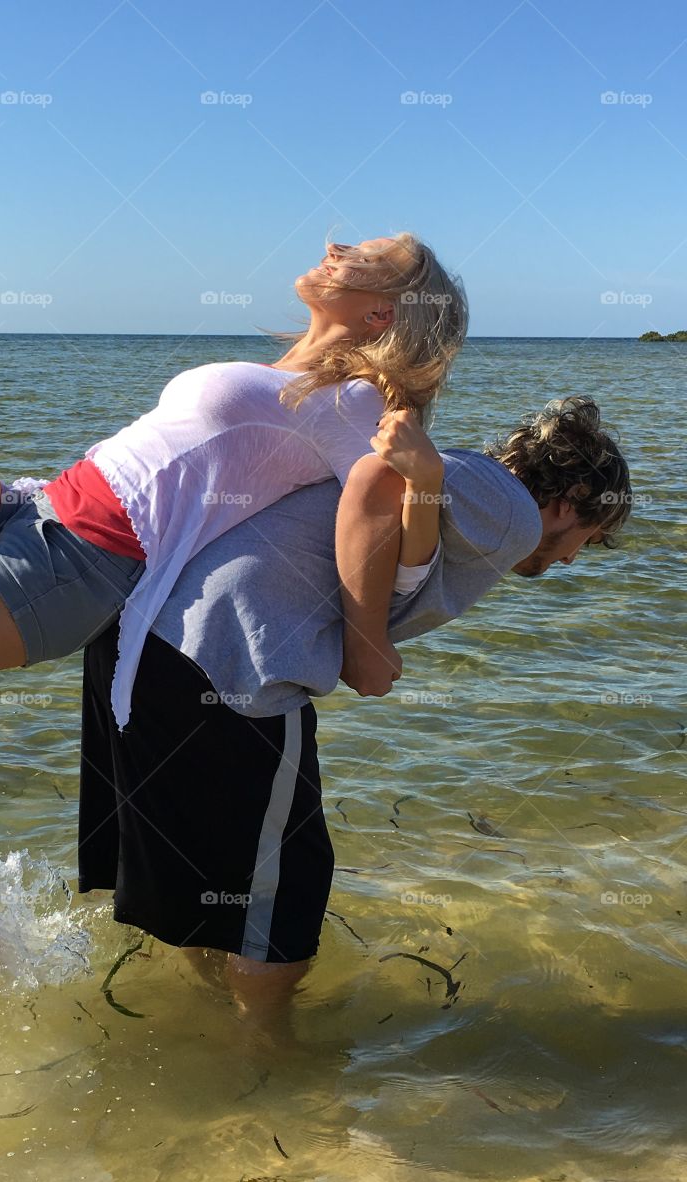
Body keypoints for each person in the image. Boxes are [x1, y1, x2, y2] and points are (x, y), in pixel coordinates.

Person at [0, 233, 465, 956]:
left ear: (383, 316)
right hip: (34, 510)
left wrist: (423, 488)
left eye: (372, 253)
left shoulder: (354, 403)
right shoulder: (285, 374)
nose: (337, 243)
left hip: (80, 563)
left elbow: (389, 529)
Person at [76, 397, 633, 1024]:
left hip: (142, 642)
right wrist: (367, 641)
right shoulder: (506, 504)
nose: (573, 558)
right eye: (592, 536)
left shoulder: (471, 499)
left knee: (210, 875)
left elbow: (396, 508)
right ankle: (269, 1055)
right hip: (232, 656)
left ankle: (208, 1033)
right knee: (287, 895)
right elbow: (378, 477)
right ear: (574, 496)